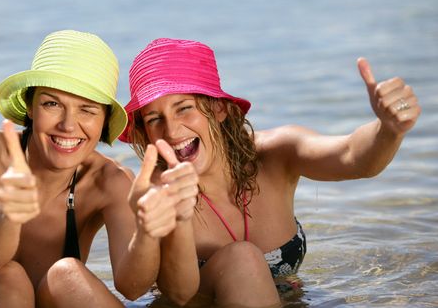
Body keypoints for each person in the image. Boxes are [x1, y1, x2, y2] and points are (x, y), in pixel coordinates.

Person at [119, 38, 421, 307]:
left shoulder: (275, 154)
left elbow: (354, 157)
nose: (171, 130)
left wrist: (389, 129)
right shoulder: (158, 193)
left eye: (184, 108)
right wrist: (180, 218)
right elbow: (179, 294)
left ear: (219, 109)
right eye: (154, 118)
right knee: (242, 257)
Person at [0, 30, 189, 307]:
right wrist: (5, 211)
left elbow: (132, 288)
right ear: (30, 106)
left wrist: (146, 233)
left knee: (68, 274)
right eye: (52, 104)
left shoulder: (109, 181)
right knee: (8, 277)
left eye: (87, 110)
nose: (68, 125)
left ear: (104, 121)